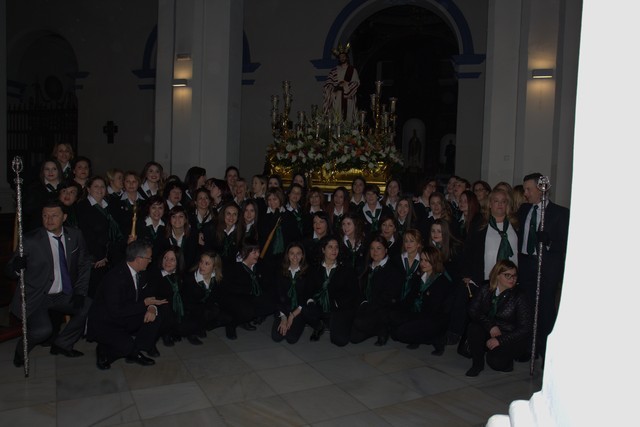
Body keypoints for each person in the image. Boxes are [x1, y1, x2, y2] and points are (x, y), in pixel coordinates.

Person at [7, 200, 92, 367]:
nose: (49, 219)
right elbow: (9, 270)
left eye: (54, 215)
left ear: (64, 217)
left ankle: (62, 344)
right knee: (42, 331)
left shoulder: (75, 235)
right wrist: (17, 268)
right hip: (37, 296)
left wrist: (80, 292)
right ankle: (21, 349)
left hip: (62, 293)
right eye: (45, 215)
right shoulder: (30, 240)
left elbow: (83, 264)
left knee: (89, 305)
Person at [87, 239, 168, 370]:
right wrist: (144, 304)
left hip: (126, 314)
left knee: (159, 312)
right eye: (149, 258)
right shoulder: (115, 278)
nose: (150, 260)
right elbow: (116, 311)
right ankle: (107, 349)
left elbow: (149, 293)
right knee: (125, 348)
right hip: (108, 322)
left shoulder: (142, 272)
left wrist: (151, 307)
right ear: (139, 259)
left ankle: (136, 348)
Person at [516, 172, 570, 361]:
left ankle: (545, 349)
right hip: (526, 265)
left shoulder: (560, 213)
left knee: (545, 309)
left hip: (546, 268)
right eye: (524, 190)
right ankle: (527, 346)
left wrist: (548, 242)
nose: (526, 193)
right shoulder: (524, 210)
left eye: (528, 189)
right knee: (526, 307)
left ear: (541, 189)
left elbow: (566, 243)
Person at [465, 260, 532, 377]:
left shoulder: (519, 296)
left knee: (496, 363)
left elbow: (525, 328)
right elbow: (473, 310)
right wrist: (490, 326)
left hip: (509, 336)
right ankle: (477, 364)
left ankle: (507, 360)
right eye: (508, 275)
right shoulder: (486, 288)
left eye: (514, 276)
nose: (512, 279)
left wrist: (500, 340)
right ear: (497, 275)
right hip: (490, 329)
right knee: (474, 328)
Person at [391, 246, 454, 355]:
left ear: (435, 262)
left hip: (434, 319)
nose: (423, 263)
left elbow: (435, 310)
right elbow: (410, 298)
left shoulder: (442, 282)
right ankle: (416, 336)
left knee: (402, 333)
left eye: (427, 261)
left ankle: (436, 340)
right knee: (394, 325)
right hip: (419, 314)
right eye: (422, 260)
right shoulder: (419, 276)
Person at [76, 176, 126, 297]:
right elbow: (86, 234)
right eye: (96, 186)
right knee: (95, 293)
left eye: (102, 186)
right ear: (88, 189)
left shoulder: (110, 205)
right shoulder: (82, 207)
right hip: (95, 259)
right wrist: (100, 256)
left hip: (112, 256)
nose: (100, 189)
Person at [350, 235, 403, 346]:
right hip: (366, 306)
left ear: (386, 250)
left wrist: (368, 308)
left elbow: (388, 297)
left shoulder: (393, 269)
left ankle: (382, 329)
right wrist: (363, 304)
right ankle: (372, 329)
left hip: (382, 309)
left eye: (379, 248)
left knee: (358, 323)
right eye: (372, 248)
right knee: (353, 338)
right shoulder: (366, 267)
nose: (375, 252)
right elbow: (359, 290)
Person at [307, 236, 358, 346]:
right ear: (323, 250)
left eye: (336, 247)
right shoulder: (315, 268)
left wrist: (337, 303)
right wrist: (311, 301)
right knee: (306, 309)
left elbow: (352, 292)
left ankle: (330, 323)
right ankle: (318, 325)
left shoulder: (346, 269)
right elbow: (309, 288)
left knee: (340, 341)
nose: (334, 250)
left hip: (338, 308)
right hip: (319, 305)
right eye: (330, 247)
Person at [181, 251, 232, 344]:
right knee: (199, 315)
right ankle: (191, 332)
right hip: (190, 310)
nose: (202, 265)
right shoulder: (190, 278)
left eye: (207, 263)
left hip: (206, 308)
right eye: (201, 262)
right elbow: (185, 302)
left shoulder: (216, 279)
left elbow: (218, 296)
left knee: (224, 315)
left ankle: (201, 326)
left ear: (214, 267)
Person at [271, 243, 315, 344]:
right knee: (276, 337)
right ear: (287, 255)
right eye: (292, 253)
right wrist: (283, 317)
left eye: (298, 253)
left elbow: (308, 295)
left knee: (291, 339)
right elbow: (277, 295)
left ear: (303, 255)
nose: (295, 257)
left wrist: (292, 316)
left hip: (299, 310)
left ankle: (301, 322)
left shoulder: (309, 272)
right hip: (283, 308)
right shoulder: (280, 271)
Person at [322, 43, 360, 123]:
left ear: (346, 57)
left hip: (348, 97)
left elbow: (356, 83)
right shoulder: (334, 70)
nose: (342, 58)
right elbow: (328, 83)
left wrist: (345, 85)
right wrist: (333, 90)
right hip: (337, 97)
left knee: (348, 117)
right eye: (340, 57)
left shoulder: (352, 70)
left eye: (343, 56)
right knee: (337, 118)